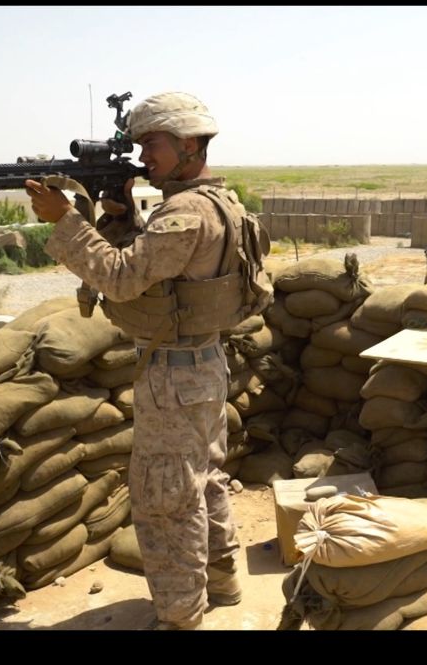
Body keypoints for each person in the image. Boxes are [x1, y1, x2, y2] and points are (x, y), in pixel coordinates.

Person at [26, 91, 270, 630]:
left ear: (188, 144)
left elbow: (119, 278)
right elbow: (149, 264)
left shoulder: (184, 213)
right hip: (202, 366)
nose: (143, 157)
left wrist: (65, 220)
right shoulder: (218, 202)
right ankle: (223, 584)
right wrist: (118, 214)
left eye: (152, 144)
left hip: (174, 375)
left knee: (165, 497)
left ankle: (181, 615)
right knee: (203, 480)